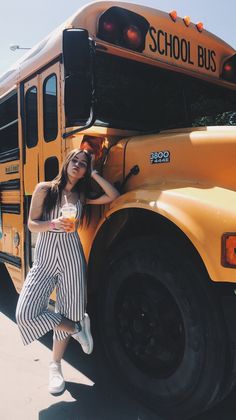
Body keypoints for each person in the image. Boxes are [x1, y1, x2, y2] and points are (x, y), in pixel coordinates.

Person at [15, 148, 120, 394]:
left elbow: (113, 195)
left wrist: (94, 174)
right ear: (66, 162)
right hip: (45, 258)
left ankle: (55, 366)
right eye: (75, 160)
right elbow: (31, 224)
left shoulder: (82, 196)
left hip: (72, 257)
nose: (78, 165)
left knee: (68, 311)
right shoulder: (45, 189)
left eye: (83, 164)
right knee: (25, 314)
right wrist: (53, 224)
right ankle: (77, 328)